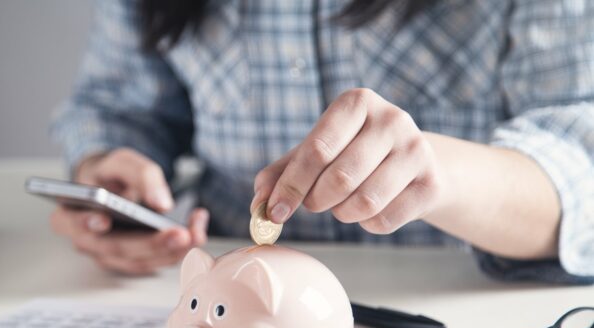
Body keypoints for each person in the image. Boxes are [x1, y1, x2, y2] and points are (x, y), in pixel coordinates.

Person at [50, 0, 594, 283]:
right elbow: (119, 105)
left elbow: (581, 164)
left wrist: (439, 173)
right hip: (222, 285)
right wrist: (109, 177)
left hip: (453, 300)